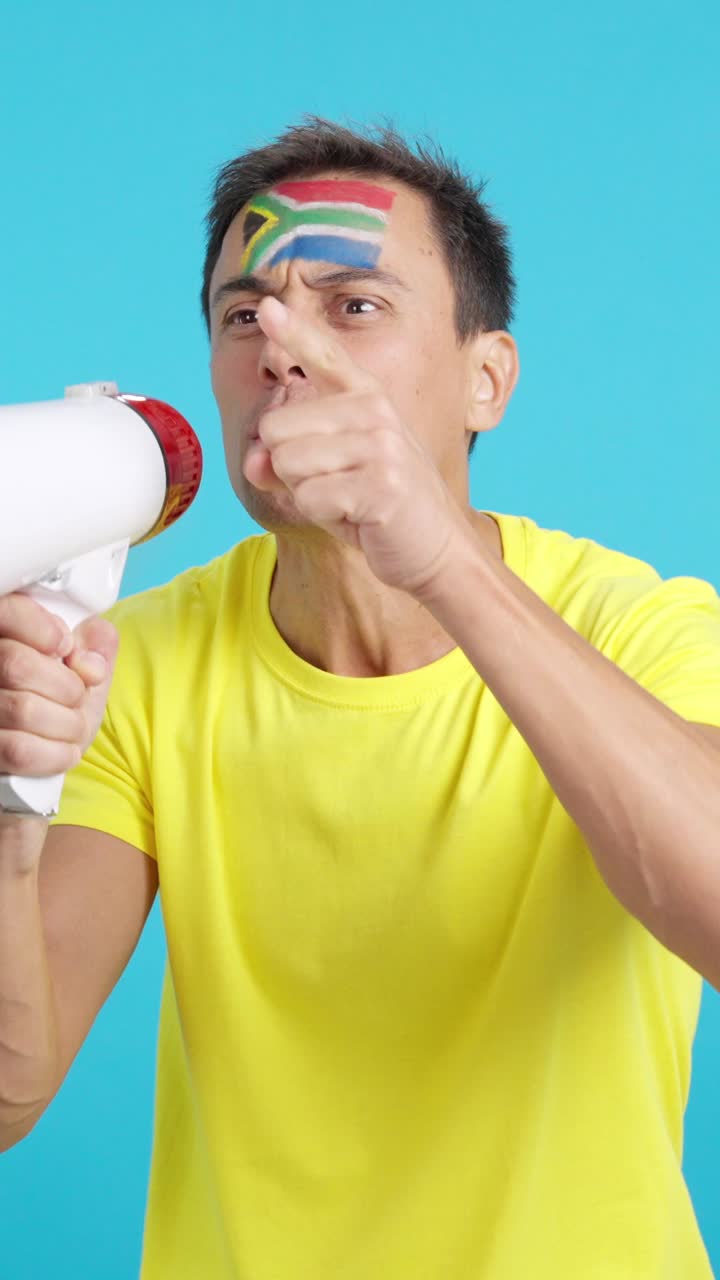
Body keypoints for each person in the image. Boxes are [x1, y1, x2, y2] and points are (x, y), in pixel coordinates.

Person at [1, 118, 719, 1279]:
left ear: (487, 380)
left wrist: (437, 559)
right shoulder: (134, 662)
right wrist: (13, 809)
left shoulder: (641, 628)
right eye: (245, 315)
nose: (282, 351)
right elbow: (8, 1095)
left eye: (354, 305)